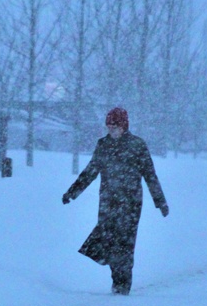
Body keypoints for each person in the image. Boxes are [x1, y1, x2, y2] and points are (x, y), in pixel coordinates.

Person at [62, 107, 169, 295]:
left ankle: (123, 285)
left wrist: (160, 202)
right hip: (108, 201)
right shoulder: (103, 145)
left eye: (115, 127)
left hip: (130, 204)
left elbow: (150, 175)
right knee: (107, 241)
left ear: (124, 126)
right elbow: (91, 171)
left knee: (125, 244)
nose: (111, 130)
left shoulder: (137, 145)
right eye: (109, 127)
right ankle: (116, 280)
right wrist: (72, 192)